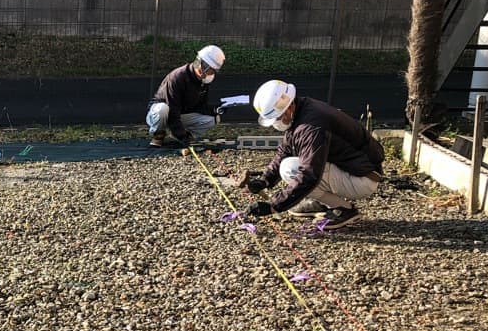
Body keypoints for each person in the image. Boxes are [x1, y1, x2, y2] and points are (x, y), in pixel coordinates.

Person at [240, 80, 386, 229]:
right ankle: (320, 203)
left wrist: (273, 205)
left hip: (362, 179)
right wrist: (265, 180)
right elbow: (285, 150)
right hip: (357, 169)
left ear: (288, 107)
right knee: (290, 164)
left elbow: (309, 174)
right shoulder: (302, 111)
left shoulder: (311, 127)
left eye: (277, 118)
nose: (276, 123)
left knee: (290, 168)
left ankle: (344, 209)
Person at [146, 45, 225, 147]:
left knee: (213, 119)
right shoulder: (177, 77)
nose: (210, 73)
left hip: (180, 114)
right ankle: (158, 135)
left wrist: (215, 110)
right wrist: (181, 135)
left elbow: (200, 106)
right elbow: (172, 109)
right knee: (162, 109)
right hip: (161, 114)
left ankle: (187, 135)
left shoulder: (203, 82)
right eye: (210, 70)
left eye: (213, 71)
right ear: (201, 64)